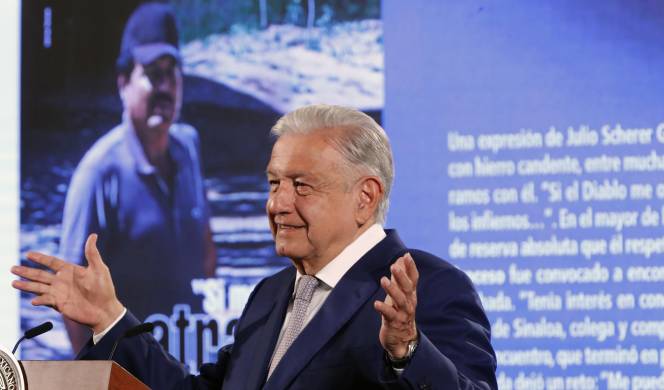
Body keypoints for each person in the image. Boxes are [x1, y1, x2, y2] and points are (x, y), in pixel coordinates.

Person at [13, 105, 497, 389]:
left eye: (301, 185)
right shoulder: (270, 296)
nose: (277, 203)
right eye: (273, 183)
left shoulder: (430, 286)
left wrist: (407, 352)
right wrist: (110, 319)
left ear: (365, 197)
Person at [57, 2, 217, 351]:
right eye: (152, 74)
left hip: (185, 354)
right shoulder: (99, 173)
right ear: (123, 83)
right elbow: (71, 290)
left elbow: (205, 246)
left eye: (171, 73)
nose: (164, 87)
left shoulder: (188, 149)